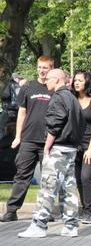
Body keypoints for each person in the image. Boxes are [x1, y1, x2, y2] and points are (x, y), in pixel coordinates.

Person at [18, 69, 85, 238]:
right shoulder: (72, 97)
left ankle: (39, 225)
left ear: (56, 80)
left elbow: (54, 123)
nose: (45, 81)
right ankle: (71, 225)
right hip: (70, 148)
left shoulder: (58, 97)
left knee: (48, 185)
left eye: (48, 79)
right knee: (68, 187)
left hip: (59, 147)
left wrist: (47, 146)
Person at [0, 56, 54, 223]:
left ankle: (46, 211)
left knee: (48, 178)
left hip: (48, 141)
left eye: (45, 67)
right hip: (29, 139)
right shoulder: (28, 87)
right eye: (39, 67)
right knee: (22, 176)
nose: (42, 71)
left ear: (52, 68)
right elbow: (21, 113)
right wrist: (18, 136)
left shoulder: (55, 88)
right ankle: (11, 210)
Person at [72, 70, 91, 224]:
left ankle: (89, 211)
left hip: (89, 144)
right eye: (75, 80)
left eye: (80, 80)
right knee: (77, 178)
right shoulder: (73, 99)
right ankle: (84, 208)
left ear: (87, 82)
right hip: (74, 145)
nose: (76, 83)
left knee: (86, 177)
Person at [1, 72, 23, 139]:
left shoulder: (9, 84)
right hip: (19, 110)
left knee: (1, 126)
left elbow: (5, 95)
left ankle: (2, 142)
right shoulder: (21, 86)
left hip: (9, 109)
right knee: (17, 128)